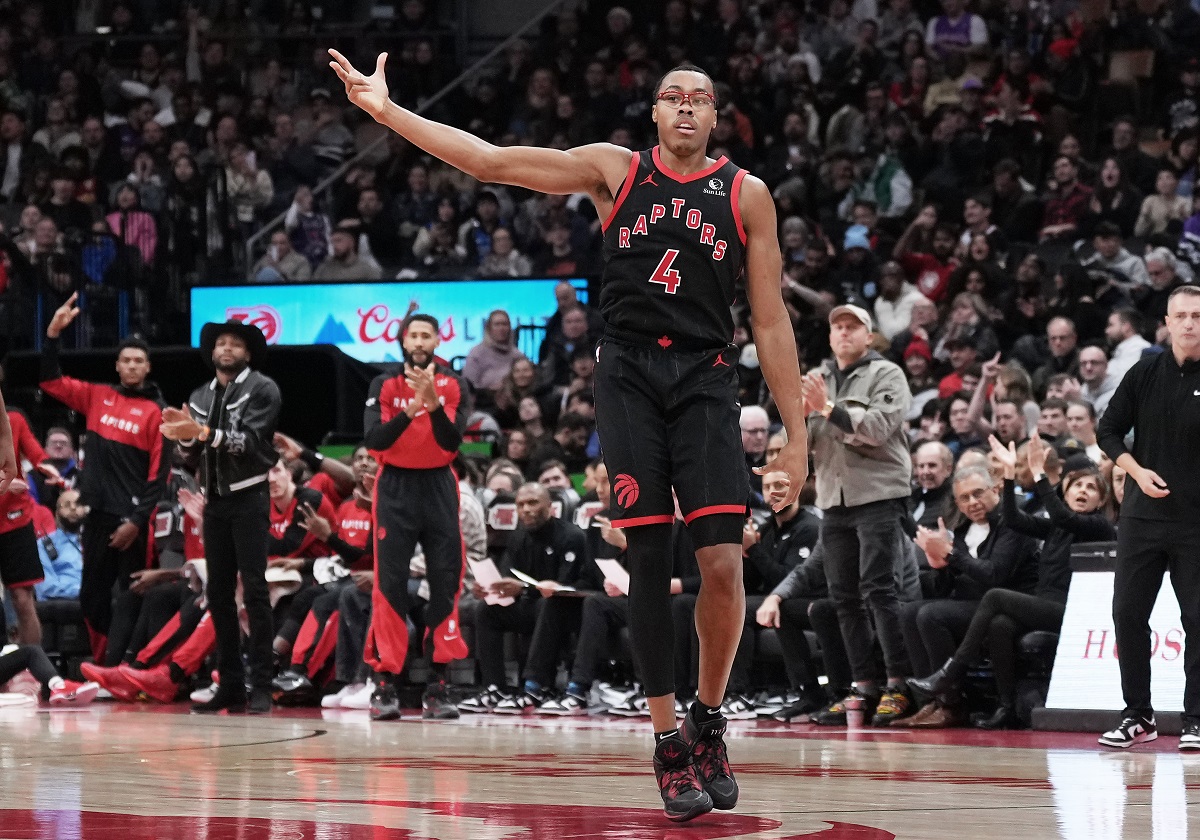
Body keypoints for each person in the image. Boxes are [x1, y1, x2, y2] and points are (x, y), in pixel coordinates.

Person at [329, 51, 809, 820]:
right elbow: (490, 162)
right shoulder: (614, 172)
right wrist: (388, 113)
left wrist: (796, 430)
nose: (686, 108)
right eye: (671, 97)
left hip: (707, 376)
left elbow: (771, 316)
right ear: (653, 113)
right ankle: (666, 741)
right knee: (648, 556)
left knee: (721, 562)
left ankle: (709, 720)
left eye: (701, 99)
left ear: (716, 118)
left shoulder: (746, 196)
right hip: (625, 376)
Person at [1096, 285, 1200, 750]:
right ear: (1167, 320)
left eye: (1197, 315)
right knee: (1127, 613)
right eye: (1180, 315)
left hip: (1195, 522)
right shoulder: (1144, 371)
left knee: (1197, 618)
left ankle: (1196, 718)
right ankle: (1138, 715)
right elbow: (1108, 431)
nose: (1189, 323)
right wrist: (1135, 471)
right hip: (1141, 518)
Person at [160, 319, 282, 715]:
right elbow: (191, 455)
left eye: (235, 344)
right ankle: (230, 684)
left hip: (249, 498)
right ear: (212, 352)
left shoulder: (263, 388)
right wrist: (181, 438)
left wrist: (201, 432)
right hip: (214, 502)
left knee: (256, 592)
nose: (226, 349)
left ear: (247, 353)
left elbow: (248, 442)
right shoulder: (199, 394)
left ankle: (262, 682)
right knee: (218, 595)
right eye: (221, 344)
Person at [39, 293, 168, 664]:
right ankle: (104, 664)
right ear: (117, 366)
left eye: (138, 361)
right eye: (126, 360)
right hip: (95, 516)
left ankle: (131, 664)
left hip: (131, 522)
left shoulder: (157, 413)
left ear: (147, 368)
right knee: (91, 598)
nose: (131, 366)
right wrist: (52, 336)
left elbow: (157, 475)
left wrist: (136, 521)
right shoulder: (97, 397)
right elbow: (50, 382)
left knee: (133, 595)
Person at [803, 303, 915, 727]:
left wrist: (826, 408)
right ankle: (863, 685)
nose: (844, 333)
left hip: (879, 494)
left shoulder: (887, 374)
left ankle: (899, 683)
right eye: (838, 327)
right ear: (830, 337)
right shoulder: (820, 378)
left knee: (879, 588)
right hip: (834, 498)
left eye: (853, 327)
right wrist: (798, 415)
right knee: (843, 595)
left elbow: (878, 427)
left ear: (869, 337)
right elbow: (806, 436)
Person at [361, 313, 469, 721]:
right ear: (403, 341)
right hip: (395, 489)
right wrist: (411, 411)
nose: (420, 341)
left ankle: (438, 687)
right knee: (389, 586)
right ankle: (385, 684)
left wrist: (434, 406)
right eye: (414, 335)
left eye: (427, 334)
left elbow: (452, 442)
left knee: (446, 583)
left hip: (439, 486)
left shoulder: (456, 384)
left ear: (438, 339)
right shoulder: (383, 384)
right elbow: (375, 441)